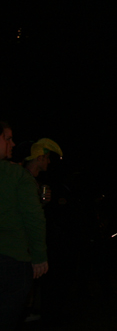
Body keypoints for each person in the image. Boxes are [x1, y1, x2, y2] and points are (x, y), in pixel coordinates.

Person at [0, 121, 48, 330]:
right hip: (11, 260)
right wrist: (39, 256)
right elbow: (33, 217)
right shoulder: (17, 175)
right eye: (7, 139)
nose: (12, 144)